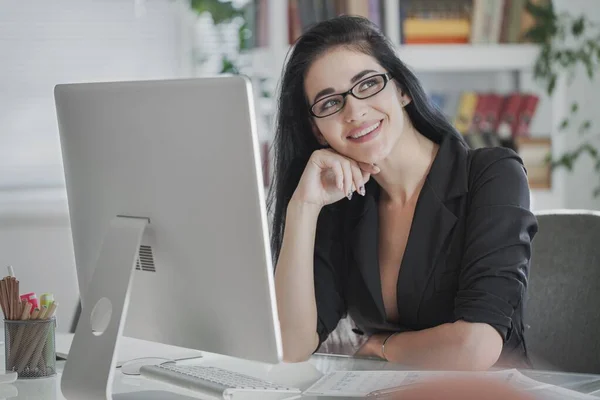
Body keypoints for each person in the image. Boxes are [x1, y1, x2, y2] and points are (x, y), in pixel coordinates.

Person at [269, 15, 538, 370]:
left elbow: (476, 347)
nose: (355, 110)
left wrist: (383, 346)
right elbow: (291, 345)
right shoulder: (344, 203)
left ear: (402, 89)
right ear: (318, 132)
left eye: (367, 84)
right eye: (329, 103)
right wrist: (303, 207)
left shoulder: (491, 174)